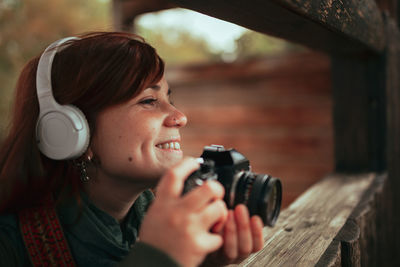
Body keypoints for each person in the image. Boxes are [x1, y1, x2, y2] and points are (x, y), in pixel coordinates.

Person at [0, 32, 264, 267]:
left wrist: (203, 262)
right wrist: (158, 258)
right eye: (148, 100)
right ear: (72, 132)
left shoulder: (168, 224)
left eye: (169, 100)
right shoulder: (11, 247)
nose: (180, 117)